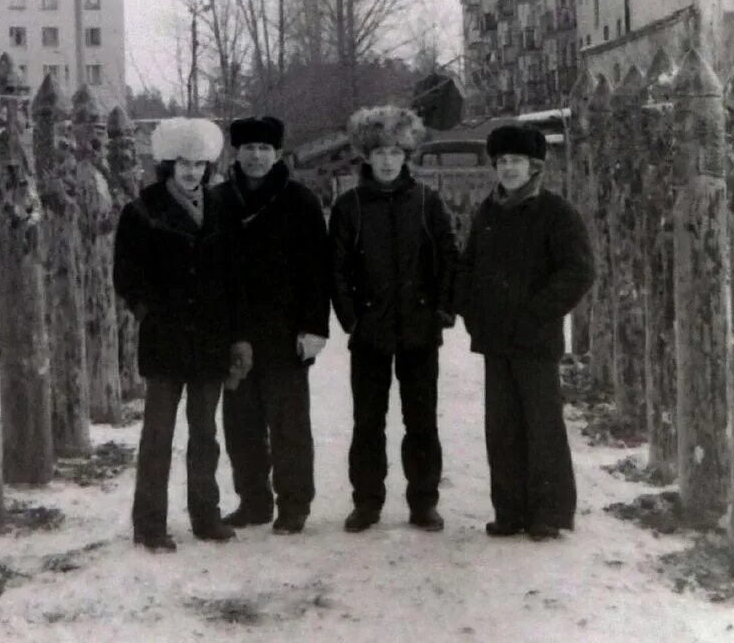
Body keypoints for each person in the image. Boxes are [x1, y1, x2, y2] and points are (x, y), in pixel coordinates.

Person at [113, 117, 254, 552]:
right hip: (165, 341)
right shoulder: (142, 211)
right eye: (184, 164)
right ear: (169, 164)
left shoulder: (221, 210)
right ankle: (150, 524)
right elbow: (126, 275)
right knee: (157, 435)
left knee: (205, 434)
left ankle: (205, 516)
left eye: (199, 165)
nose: (192, 172)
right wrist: (148, 313)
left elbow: (236, 279)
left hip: (210, 341)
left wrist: (237, 335)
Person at [458, 123, 594, 541]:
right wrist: (472, 313)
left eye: (517, 161)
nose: (509, 169)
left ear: (534, 166)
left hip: (535, 340)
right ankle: (510, 511)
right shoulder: (488, 212)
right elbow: (469, 268)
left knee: (542, 425)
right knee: (502, 427)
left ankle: (548, 514)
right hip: (496, 340)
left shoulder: (556, 212)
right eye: (502, 162)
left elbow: (578, 271)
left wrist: (537, 313)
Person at [328, 105, 458, 533]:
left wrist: (441, 309)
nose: (387, 160)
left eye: (396, 152)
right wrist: (352, 321)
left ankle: (424, 501)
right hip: (370, 333)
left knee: (421, 419)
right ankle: (366, 501)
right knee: (369, 421)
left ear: (407, 155)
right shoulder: (350, 206)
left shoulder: (426, 201)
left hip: (419, 331)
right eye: (380, 151)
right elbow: (337, 268)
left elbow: (448, 258)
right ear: (367, 155)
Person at [213, 116, 331, 536]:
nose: (257, 156)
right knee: (241, 424)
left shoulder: (300, 200)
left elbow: (319, 270)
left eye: (265, 149)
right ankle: (253, 501)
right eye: (249, 148)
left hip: (285, 330)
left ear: (278, 154)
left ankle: (294, 504)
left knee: (289, 425)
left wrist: (314, 328)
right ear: (236, 153)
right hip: (235, 332)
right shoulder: (220, 200)